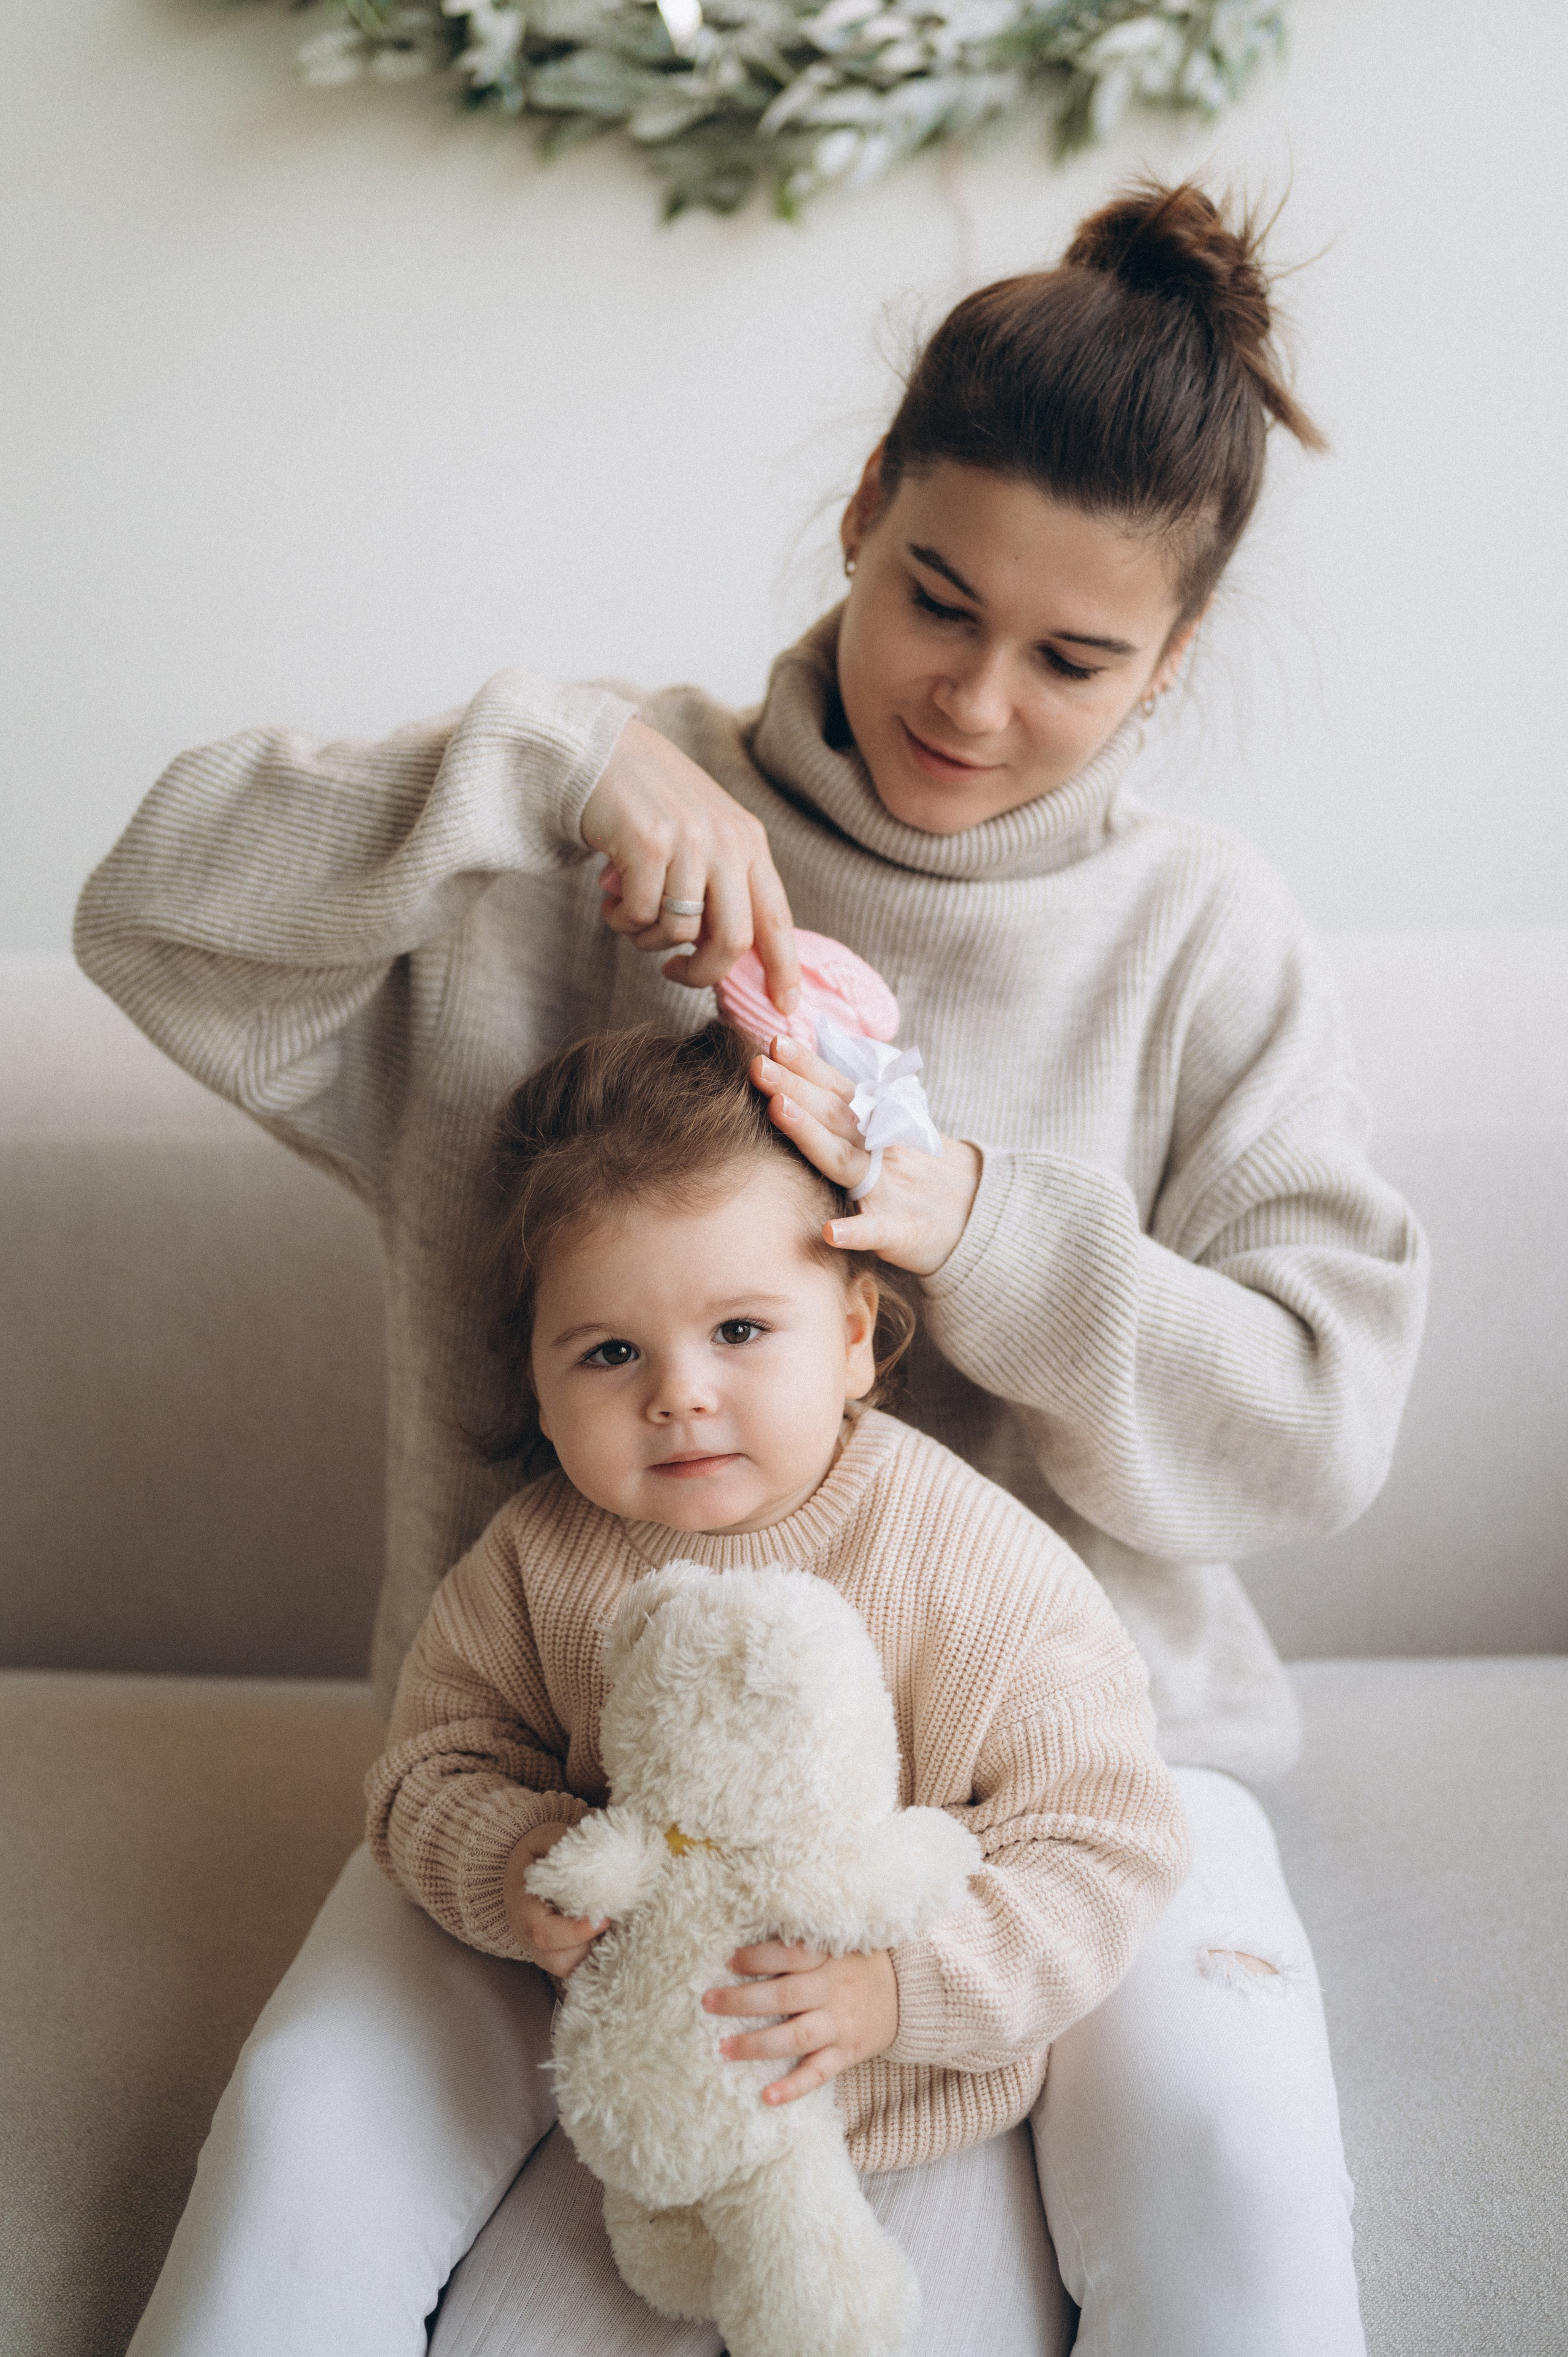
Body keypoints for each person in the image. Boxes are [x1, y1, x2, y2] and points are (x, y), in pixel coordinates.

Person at [78, 178, 1427, 2356]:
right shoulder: (590, 834)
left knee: (1237, 2185)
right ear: (867, 508)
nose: (974, 700)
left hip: (1074, 1786)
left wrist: (993, 1228)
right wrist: (539, 763)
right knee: (304, 2148)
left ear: (1168, 666)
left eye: (1075, 659)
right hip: (567, 1777)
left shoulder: (1207, 942)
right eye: (938, 596)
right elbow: (145, 914)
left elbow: (1318, 1419)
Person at [366, 1015, 1188, 2355]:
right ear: (536, 1370)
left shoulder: (964, 1557)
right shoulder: (534, 1559)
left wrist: (896, 1990)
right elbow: (426, 1767)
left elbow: (1104, 1837)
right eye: (609, 1353)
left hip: (913, 2095)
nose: (679, 1396)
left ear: (856, 1334)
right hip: (634, 2088)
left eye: (740, 1328)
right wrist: (516, 1862)